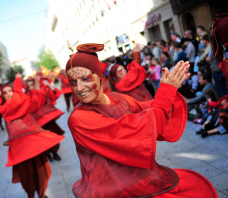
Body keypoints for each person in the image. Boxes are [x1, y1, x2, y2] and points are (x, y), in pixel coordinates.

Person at [66, 43, 217, 198]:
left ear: (98, 76)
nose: (79, 87)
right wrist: (165, 92)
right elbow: (132, 130)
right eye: (73, 82)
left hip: (142, 181)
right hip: (111, 191)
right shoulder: (78, 119)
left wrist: (169, 92)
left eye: (85, 79)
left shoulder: (117, 98)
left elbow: (148, 111)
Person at [0, 73, 64, 198]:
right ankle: (31, 195)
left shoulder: (24, 103)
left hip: (34, 144)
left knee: (43, 172)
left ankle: (41, 194)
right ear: (2, 97)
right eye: (5, 93)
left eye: (10, 91)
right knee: (27, 176)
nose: (8, 94)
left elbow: (37, 99)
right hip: (19, 149)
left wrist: (36, 84)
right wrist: (18, 83)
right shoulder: (5, 108)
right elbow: (14, 104)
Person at [26, 77, 65, 162]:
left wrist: (48, 85)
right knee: (42, 140)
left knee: (54, 135)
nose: (31, 87)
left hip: (48, 118)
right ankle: (48, 154)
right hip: (37, 122)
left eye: (32, 84)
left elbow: (54, 95)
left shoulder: (42, 90)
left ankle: (55, 153)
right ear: (27, 88)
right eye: (28, 85)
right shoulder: (27, 97)